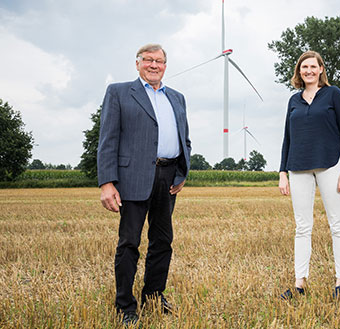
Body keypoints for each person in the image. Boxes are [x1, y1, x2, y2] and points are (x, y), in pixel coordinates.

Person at [97, 44, 191, 325]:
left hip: (168, 177)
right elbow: (108, 140)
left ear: (165, 65)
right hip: (133, 177)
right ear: (137, 63)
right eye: (148, 60)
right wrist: (107, 182)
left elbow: (184, 137)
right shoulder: (119, 92)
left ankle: (154, 295)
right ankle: (125, 305)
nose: (154, 65)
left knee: (163, 241)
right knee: (129, 243)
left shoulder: (177, 97)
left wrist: (182, 173)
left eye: (159, 61)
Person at [278, 51, 340, 301]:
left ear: (321, 69)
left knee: (337, 224)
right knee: (302, 227)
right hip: (298, 167)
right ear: (299, 71)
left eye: (313, 66)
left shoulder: (334, 95)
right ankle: (299, 283)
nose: (308, 70)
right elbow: (287, 138)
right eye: (304, 67)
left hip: (331, 164)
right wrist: (282, 172)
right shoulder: (293, 100)